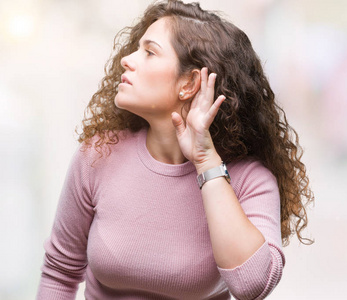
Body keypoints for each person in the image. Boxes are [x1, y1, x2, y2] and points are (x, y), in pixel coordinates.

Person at [37, 0, 313, 299]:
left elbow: (251, 286)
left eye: (150, 52)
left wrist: (206, 162)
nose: (127, 59)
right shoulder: (98, 156)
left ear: (190, 83)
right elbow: (60, 272)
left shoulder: (250, 179)